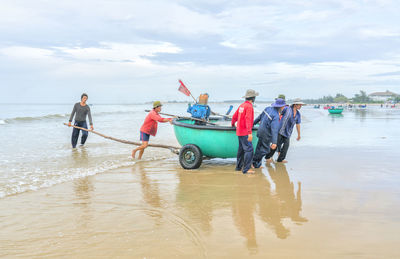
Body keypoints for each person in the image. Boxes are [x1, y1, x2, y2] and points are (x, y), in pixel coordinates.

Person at [265, 98, 304, 163]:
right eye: (300, 105)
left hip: (288, 132)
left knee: (286, 146)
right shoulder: (287, 109)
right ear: (295, 104)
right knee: (275, 145)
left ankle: (280, 159)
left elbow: (298, 124)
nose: (301, 106)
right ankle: (267, 157)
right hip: (280, 130)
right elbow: (278, 114)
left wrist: (299, 134)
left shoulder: (298, 114)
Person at [252, 98, 286, 168]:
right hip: (266, 135)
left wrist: (252, 124)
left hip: (260, 131)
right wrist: (274, 142)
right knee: (266, 150)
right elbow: (274, 129)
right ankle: (253, 161)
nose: (283, 108)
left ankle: (256, 164)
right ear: (281, 107)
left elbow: (259, 117)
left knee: (259, 148)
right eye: (283, 106)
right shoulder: (276, 116)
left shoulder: (267, 109)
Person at [231, 89, 258, 174]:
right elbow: (248, 119)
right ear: (253, 98)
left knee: (241, 150)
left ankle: (238, 167)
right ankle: (246, 169)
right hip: (245, 132)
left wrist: (232, 124)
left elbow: (234, 116)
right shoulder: (249, 106)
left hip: (239, 131)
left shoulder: (242, 105)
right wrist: (250, 133)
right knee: (249, 150)